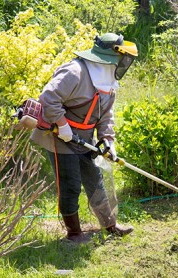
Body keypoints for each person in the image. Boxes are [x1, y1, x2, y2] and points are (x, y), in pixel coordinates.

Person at [31, 33, 138, 243]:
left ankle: (110, 225)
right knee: (70, 184)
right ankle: (74, 234)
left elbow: (106, 115)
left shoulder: (108, 81)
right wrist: (62, 125)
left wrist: (108, 140)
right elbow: (48, 98)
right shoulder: (75, 72)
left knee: (95, 180)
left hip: (85, 139)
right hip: (59, 137)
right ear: (110, 56)